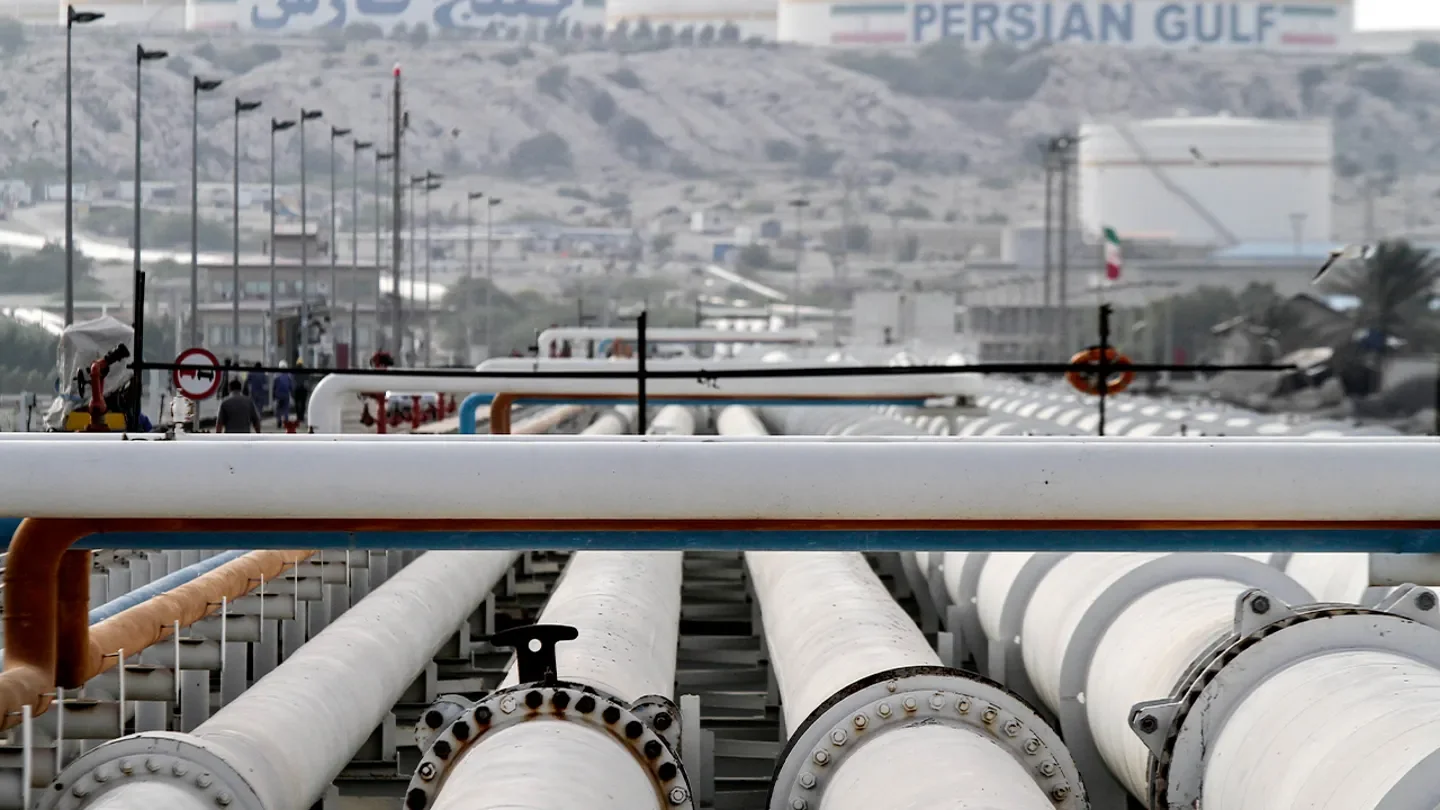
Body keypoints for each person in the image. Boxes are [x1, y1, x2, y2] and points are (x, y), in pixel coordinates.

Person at [273, 361, 295, 429]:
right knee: (286, 409)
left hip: (278, 395)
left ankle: (279, 421)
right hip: (286, 395)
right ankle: (286, 421)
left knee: (278, 409)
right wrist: (292, 394)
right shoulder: (289, 375)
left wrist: (274, 396)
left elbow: (274, 387)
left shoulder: (276, 375)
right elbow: (291, 386)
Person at [293, 359, 310, 423]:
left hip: (297, 389)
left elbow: (293, 380)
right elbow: (307, 380)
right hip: (303, 389)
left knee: (297, 404)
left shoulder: (294, 371)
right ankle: (301, 417)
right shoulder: (305, 371)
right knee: (303, 404)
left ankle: (298, 417)